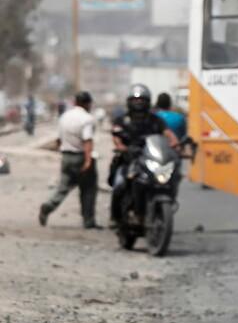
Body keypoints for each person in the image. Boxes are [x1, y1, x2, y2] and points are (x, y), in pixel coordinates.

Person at [111, 84, 177, 225]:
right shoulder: (122, 120)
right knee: (119, 185)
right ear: (130, 101)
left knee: (166, 179)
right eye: (135, 100)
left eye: (142, 100)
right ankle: (115, 217)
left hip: (149, 158)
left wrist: (174, 143)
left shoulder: (155, 120)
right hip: (128, 160)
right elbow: (116, 138)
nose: (138, 103)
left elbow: (168, 133)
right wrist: (122, 147)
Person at [38, 91, 100, 229]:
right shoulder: (87, 119)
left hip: (66, 157)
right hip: (81, 156)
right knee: (88, 189)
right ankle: (88, 220)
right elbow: (87, 140)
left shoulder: (65, 116)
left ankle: (48, 206)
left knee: (63, 188)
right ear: (87, 103)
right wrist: (88, 161)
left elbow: (58, 139)